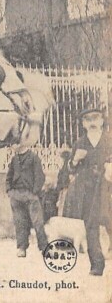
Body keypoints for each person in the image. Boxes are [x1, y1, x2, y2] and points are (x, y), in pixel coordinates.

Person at [64, 107, 112, 276]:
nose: (92, 122)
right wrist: (75, 160)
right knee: (91, 226)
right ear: (84, 124)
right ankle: (97, 265)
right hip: (87, 191)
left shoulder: (109, 140)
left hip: (107, 188)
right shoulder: (80, 143)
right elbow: (69, 169)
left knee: (109, 221)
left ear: (101, 121)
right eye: (88, 120)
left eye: (95, 118)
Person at [6, 144, 48, 257]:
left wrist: (34, 192)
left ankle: (44, 247)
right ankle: (21, 248)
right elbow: (9, 176)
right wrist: (10, 191)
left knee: (37, 222)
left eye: (16, 143)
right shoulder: (14, 159)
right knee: (19, 222)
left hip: (30, 195)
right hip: (16, 195)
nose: (14, 145)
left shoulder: (34, 157)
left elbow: (40, 176)